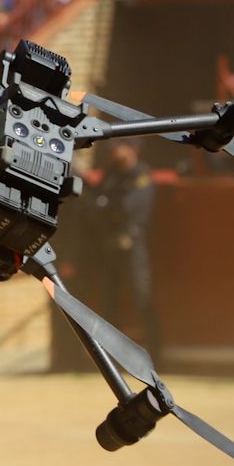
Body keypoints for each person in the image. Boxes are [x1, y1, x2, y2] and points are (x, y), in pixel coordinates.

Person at [89, 140, 160, 355]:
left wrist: (108, 206)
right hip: (110, 244)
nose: (115, 153)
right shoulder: (112, 174)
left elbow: (127, 207)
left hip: (133, 244)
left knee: (142, 298)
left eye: (119, 148)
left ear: (132, 150)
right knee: (110, 298)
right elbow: (98, 205)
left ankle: (156, 354)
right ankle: (114, 354)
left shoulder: (141, 174)